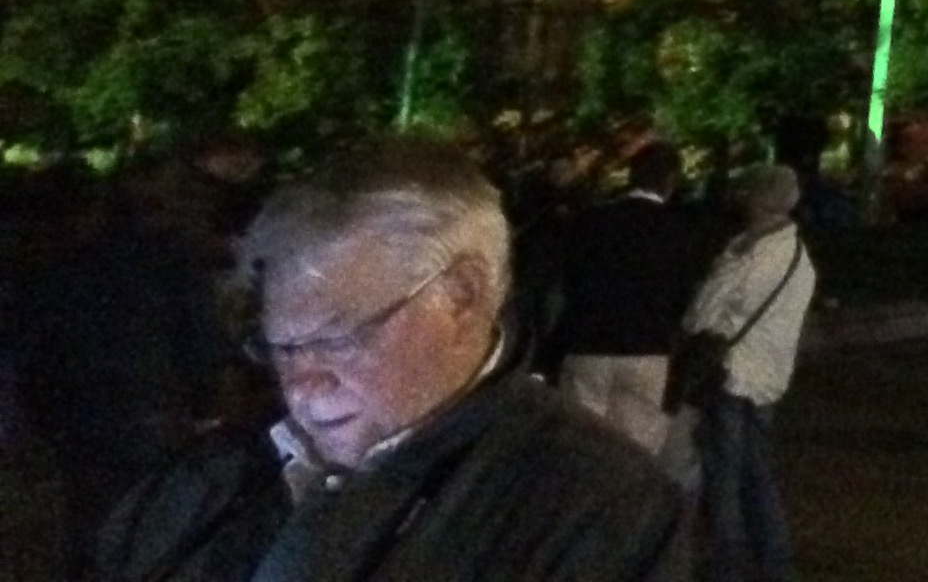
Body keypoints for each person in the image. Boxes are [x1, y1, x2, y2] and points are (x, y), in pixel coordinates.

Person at [92, 139, 686, 582]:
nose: (302, 383)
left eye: (340, 337)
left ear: (461, 295)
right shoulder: (216, 475)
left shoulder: (605, 510)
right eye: (281, 346)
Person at [14, 166, 232, 578]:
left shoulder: (52, 266)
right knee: (149, 527)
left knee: (103, 529)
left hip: (99, 421)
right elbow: (199, 337)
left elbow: (35, 354)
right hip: (143, 416)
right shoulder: (162, 256)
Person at [671, 164, 815, 582]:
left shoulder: (750, 256)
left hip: (733, 374)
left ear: (759, 200)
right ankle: (775, 561)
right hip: (769, 378)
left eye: (747, 194)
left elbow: (699, 315)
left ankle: (726, 566)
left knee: (723, 477)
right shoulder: (797, 256)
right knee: (759, 473)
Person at [543, 141, 706, 461]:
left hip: (588, 343)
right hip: (648, 348)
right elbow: (686, 296)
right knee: (633, 452)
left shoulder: (592, 221)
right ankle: (620, 509)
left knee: (579, 445)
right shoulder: (681, 230)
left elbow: (570, 281)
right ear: (671, 179)